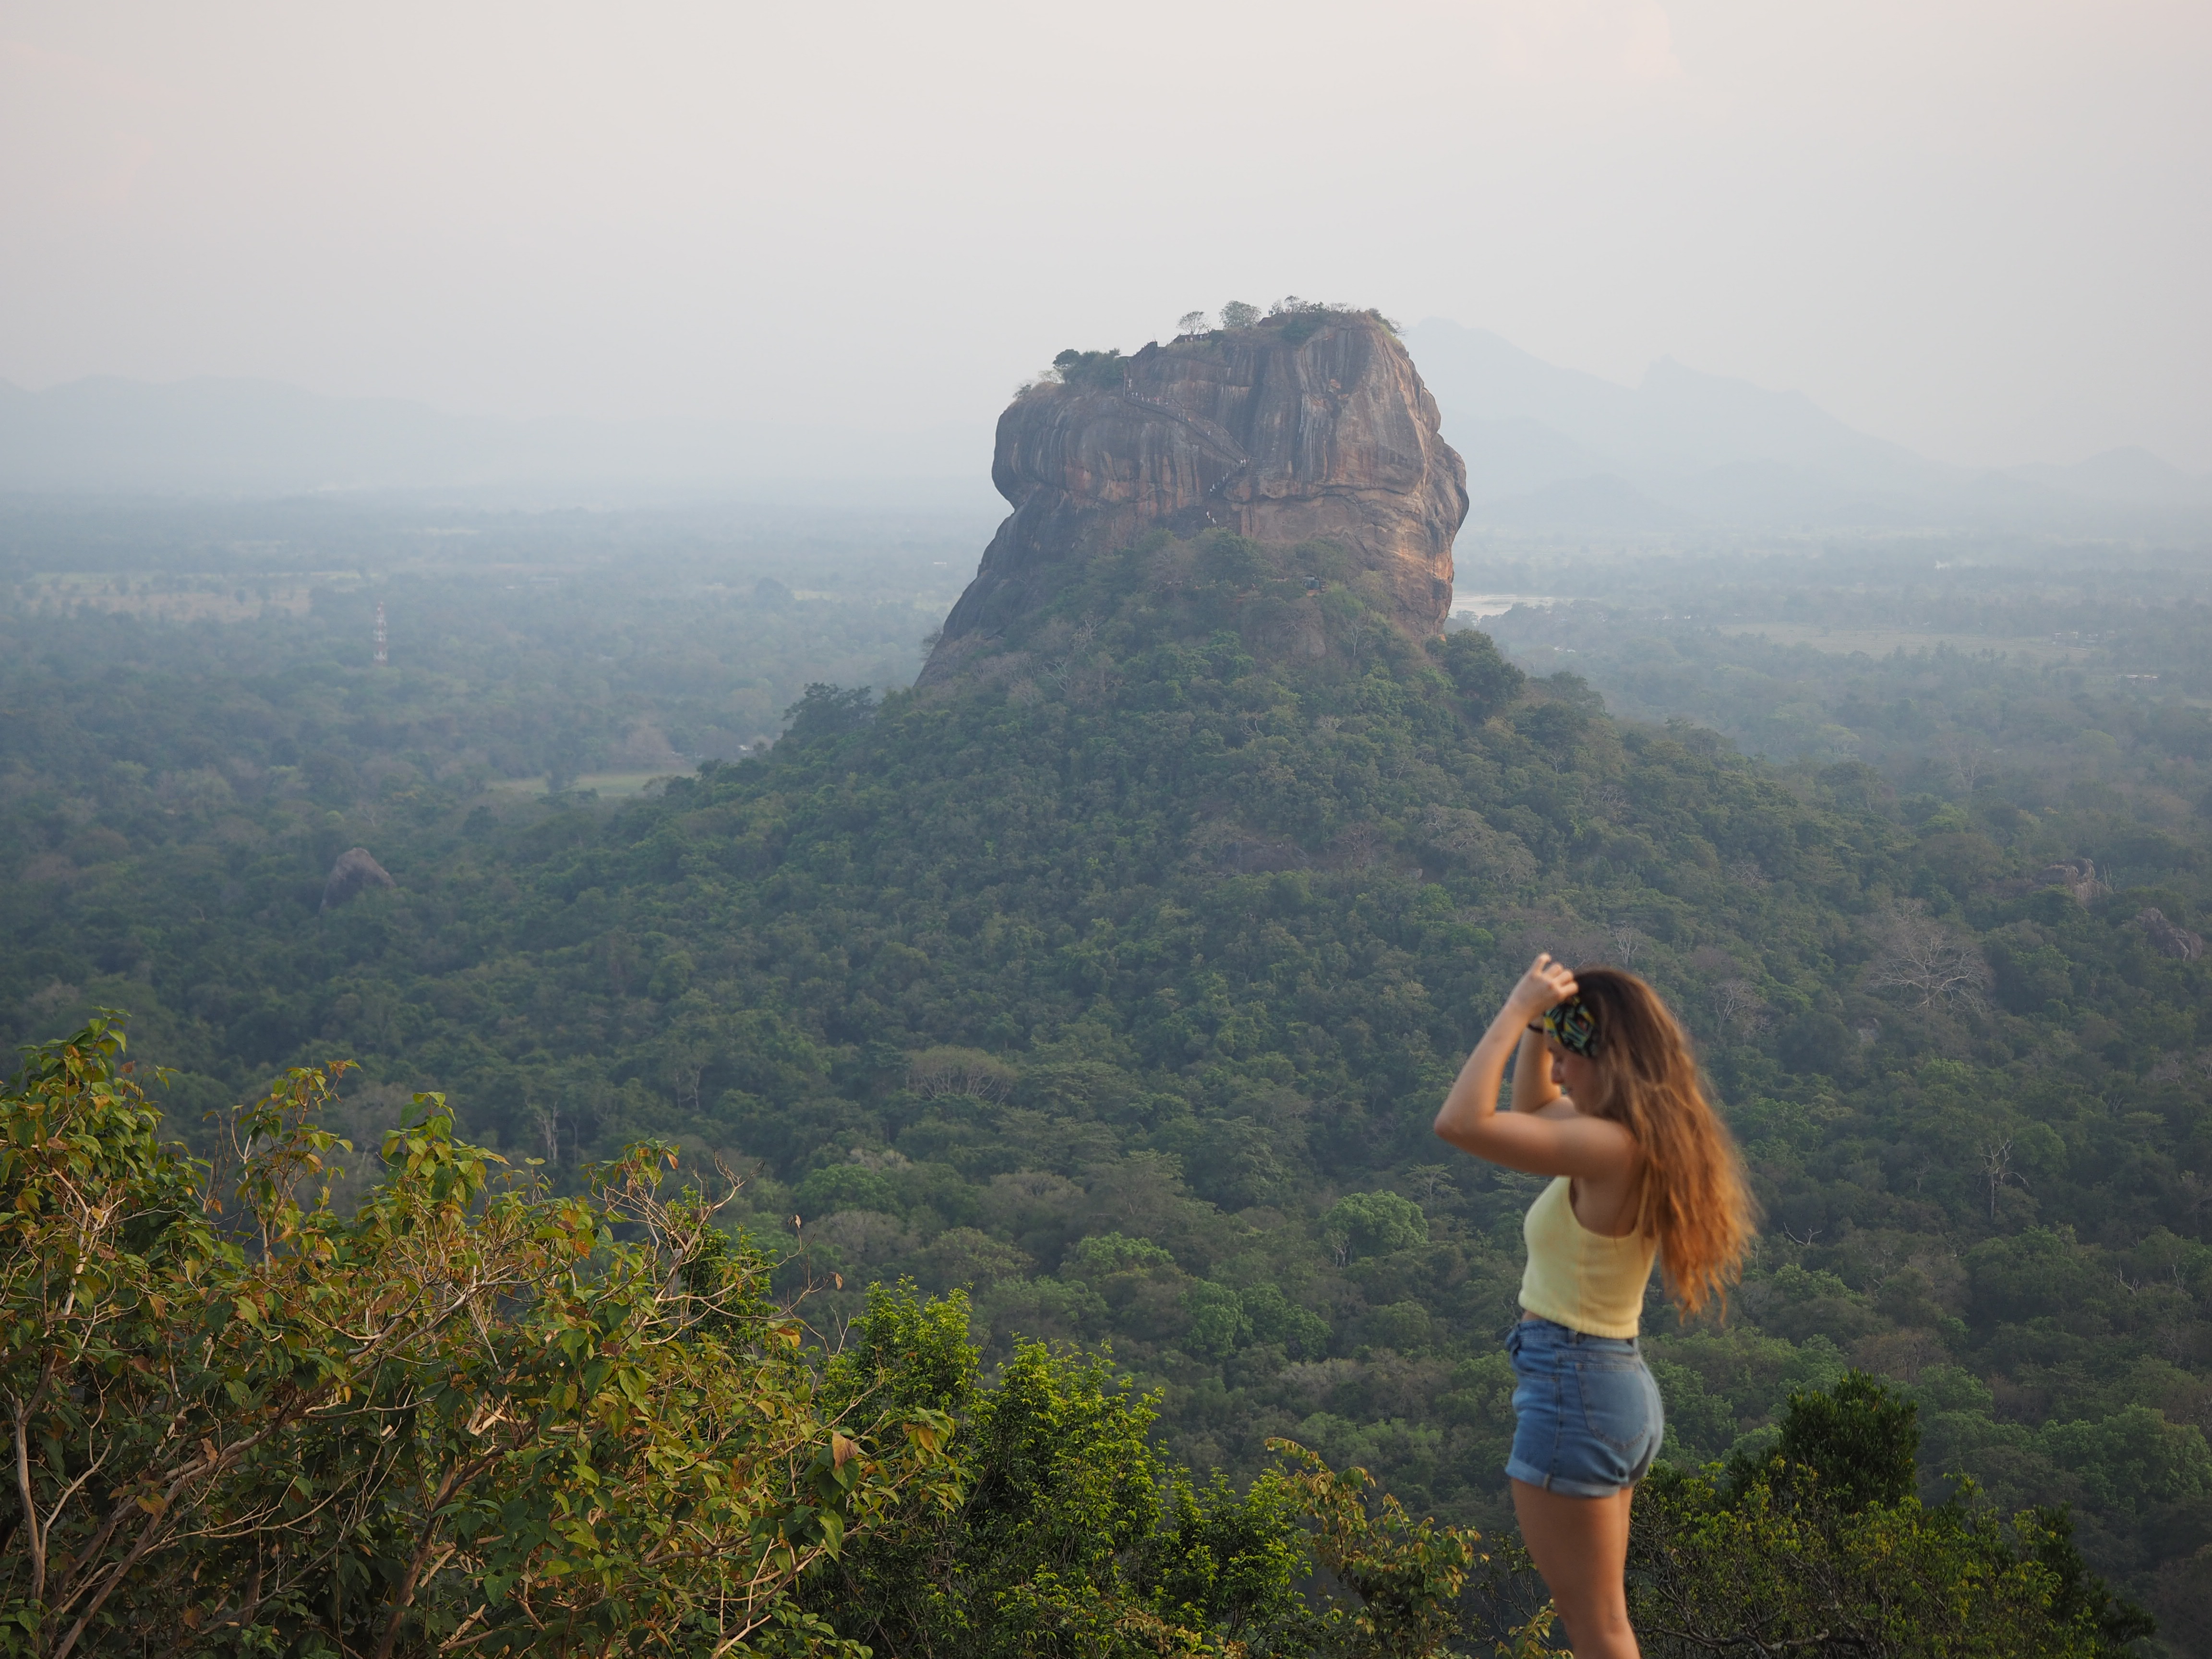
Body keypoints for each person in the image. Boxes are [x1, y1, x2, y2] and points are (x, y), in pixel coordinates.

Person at [1433, 953, 1755, 1659]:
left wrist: (1518, 1009)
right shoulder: (1634, 1139)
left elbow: (1460, 1122)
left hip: (1574, 1388)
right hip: (1610, 1387)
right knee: (1607, 1623)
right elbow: (1535, 1112)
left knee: (1597, 1629)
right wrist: (1540, 1032)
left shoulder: (1611, 1146)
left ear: (1607, 1058)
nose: (1557, 1070)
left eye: (1570, 1053)